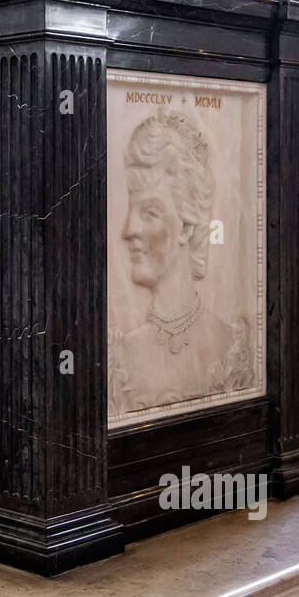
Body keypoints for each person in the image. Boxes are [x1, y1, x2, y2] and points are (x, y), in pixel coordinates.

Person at [109, 112, 250, 417]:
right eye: (132, 211)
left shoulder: (232, 347)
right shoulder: (118, 358)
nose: (128, 230)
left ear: (187, 226)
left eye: (149, 213)